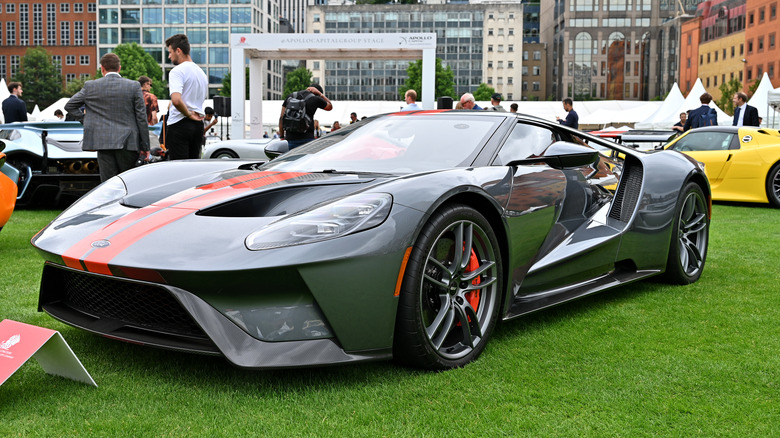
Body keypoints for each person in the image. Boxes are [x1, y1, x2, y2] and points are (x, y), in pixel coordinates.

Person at [64, 53, 149, 182]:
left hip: (103, 142)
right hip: (129, 143)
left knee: (108, 185)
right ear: (119, 68)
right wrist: (145, 147)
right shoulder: (134, 86)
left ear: (102, 68)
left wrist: (86, 120)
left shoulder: (90, 86)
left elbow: (70, 106)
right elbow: (141, 117)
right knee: (129, 183)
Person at [165, 34, 208, 160]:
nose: (169, 56)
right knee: (193, 168)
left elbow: (176, 100)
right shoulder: (201, 73)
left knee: (179, 170)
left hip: (179, 123)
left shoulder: (177, 71)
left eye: (170, 52)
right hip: (198, 126)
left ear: (178, 51)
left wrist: (188, 114)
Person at [278, 83, 332, 149]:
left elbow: (281, 118)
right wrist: (320, 94)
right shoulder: (315, 98)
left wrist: (282, 137)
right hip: (307, 139)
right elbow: (330, 106)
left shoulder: (290, 96)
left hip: (290, 139)